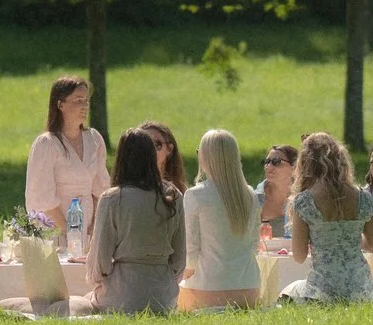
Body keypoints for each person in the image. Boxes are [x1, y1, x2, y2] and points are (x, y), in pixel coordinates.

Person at [91, 127, 188, 314]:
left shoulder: (112, 199)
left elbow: (100, 262)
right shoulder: (173, 196)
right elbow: (179, 260)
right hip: (163, 296)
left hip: (122, 294)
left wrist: (100, 283)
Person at [282, 133, 373, 304]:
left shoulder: (305, 201)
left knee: (287, 293)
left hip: (323, 290)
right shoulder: (363, 197)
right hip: (361, 288)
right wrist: (348, 238)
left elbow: (299, 256)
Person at [26, 76, 111, 256]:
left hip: (89, 234)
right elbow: (42, 198)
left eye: (86, 101)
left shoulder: (94, 139)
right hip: (56, 234)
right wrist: (69, 233)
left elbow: (101, 191)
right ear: (60, 104)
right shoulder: (47, 144)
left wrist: (93, 230)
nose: (84, 106)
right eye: (78, 101)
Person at [181, 129, 262, 310]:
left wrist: (185, 273)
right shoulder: (250, 195)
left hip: (210, 288)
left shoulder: (196, 195)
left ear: (204, 157)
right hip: (249, 287)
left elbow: (191, 252)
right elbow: (255, 245)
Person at [255, 143, 299, 239]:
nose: (268, 167)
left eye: (276, 162)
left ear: (295, 167)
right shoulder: (254, 199)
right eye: (267, 162)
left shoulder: (304, 200)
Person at [138, 121, 188, 194]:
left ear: (169, 149)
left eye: (157, 144)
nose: (150, 149)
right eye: (143, 145)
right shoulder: (123, 192)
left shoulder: (182, 193)